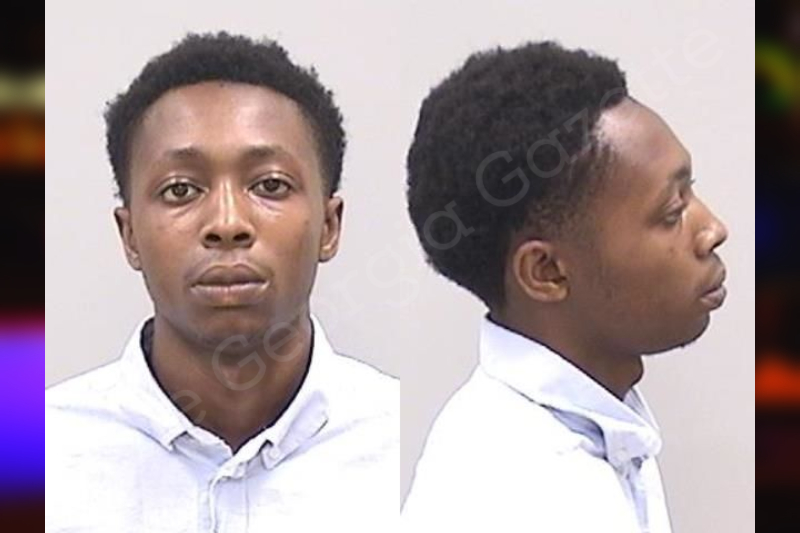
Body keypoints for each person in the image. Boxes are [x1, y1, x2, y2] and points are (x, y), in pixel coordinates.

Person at [45, 32, 398, 531]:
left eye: (270, 185)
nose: (227, 222)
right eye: (180, 190)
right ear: (130, 236)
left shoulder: (410, 453)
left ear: (329, 225)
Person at [402, 42, 728, 532]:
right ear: (547, 272)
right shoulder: (526, 493)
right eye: (671, 212)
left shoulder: (593, 424)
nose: (713, 230)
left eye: (690, 190)